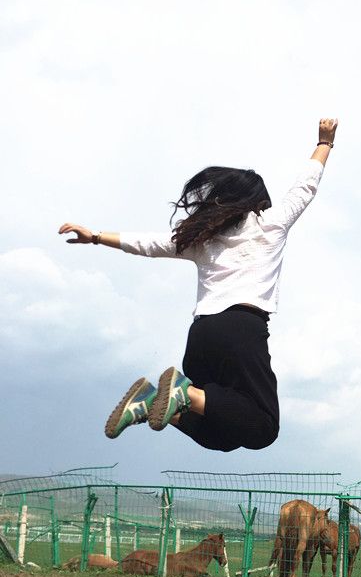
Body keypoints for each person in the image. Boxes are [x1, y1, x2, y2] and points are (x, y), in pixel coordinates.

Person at [58, 118, 338, 452]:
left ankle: (151, 402)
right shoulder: (270, 225)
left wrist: (96, 237)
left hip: (202, 336)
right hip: (242, 330)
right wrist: (325, 142)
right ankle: (182, 391)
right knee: (263, 427)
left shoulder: (202, 239)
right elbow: (304, 188)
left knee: (218, 434)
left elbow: (150, 244)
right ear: (258, 201)